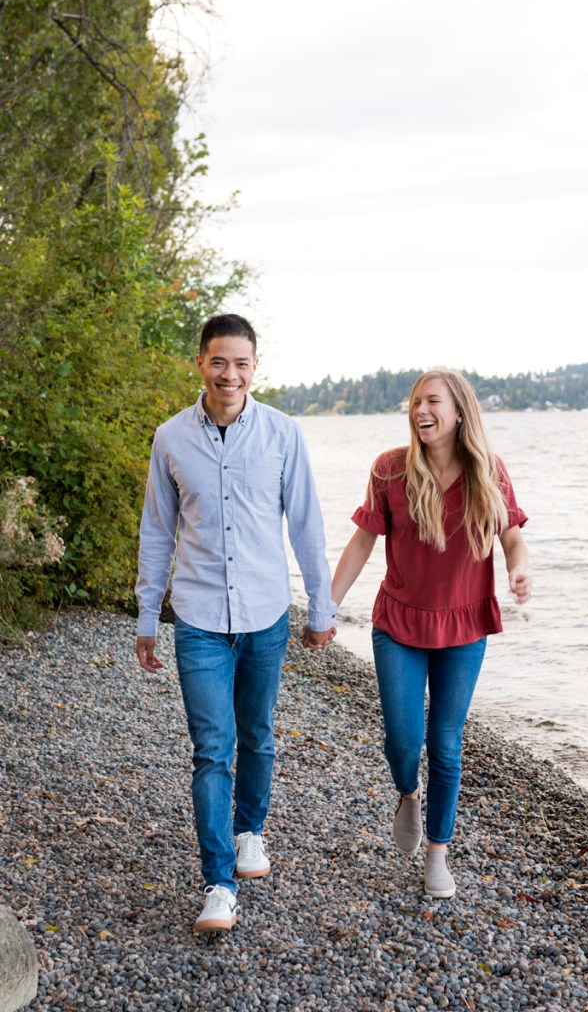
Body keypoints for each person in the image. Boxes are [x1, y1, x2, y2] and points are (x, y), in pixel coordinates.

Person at [135, 313, 336, 932]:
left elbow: (304, 524)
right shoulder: (170, 439)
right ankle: (218, 882)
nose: (230, 374)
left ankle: (251, 830)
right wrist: (148, 614)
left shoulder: (283, 434)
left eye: (241, 363)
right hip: (196, 619)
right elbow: (157, 532)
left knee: (259, 734)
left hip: (265, 615)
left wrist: (321, 606)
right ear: (201, 363)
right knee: (211, 749)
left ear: (256, 367)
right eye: (219, 361)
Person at [331, 368, 530, 899]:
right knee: (403, 738)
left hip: (464, 624)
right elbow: (360, 544)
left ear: (459, 411)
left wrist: (517, 569)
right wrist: (327, 606)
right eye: (416, 401)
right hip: (399, 621)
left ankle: (438, 854)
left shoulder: (488, 470)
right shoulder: (390, 470)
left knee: (445, 743)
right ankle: (407, 793)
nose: (421, 410)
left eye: (433, 401)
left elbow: (511, 536)